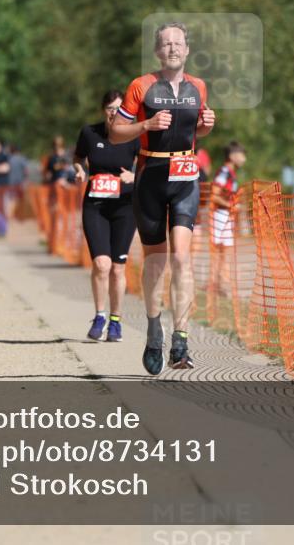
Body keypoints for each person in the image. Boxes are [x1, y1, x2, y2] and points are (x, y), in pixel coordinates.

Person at [109, 21, 215, 374]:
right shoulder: (141, 86)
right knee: (156, 262)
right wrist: (145, 126)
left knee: (183, 257)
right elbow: (114, 133)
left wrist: (206, 126)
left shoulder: (198, 87)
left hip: (185, 176)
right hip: (151, 176)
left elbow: (193, 131)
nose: (172, 48)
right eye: (166, 43)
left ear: (187, 50)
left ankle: (181, 340)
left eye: (178, 43)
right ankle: (155, 330)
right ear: (157, 52)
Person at [73, 90, 140, 342]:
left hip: (124, 207)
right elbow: (78, 157)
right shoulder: (90, 133)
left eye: (120, 109)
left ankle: (116, 321)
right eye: (111, 108)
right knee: (102, 264)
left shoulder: (135, 136)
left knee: (118, 268)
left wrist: (134, 177)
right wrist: (79, 170)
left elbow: (147, 166)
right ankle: (100, 315)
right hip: (96, 205)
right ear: (103, 110)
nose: (115, 113)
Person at [209, 141, 246, 297]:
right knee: (218, 251)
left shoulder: (232, 173)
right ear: (232, 156)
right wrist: (230, 205)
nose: (244, 159)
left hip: (227, 216)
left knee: (225, 252)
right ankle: (214, 284)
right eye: (242, 155)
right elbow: (214, 195)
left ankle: (221, 285)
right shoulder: (224, 172)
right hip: (219, 215)